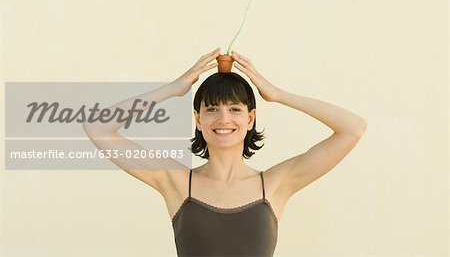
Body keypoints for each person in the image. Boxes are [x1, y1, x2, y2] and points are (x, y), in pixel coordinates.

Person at [83, 48, 368, 256]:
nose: (223, 119)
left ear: (250, 118)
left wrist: (277, 94)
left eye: (234, 109)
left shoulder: (275, 184)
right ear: (198, 119)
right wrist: (172, 89)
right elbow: (98, 127)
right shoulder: (176, 181)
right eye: (212, 109)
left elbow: (353, 128)